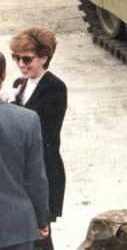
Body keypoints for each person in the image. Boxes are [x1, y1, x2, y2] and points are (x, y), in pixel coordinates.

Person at [11, 28, 67, 250]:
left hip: (43, 170)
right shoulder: (20, 83)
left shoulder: (55, 87)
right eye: (16, 58)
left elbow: (43, 132)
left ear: (44, 57)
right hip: (23, 170)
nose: (21, 64)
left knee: (40, 234)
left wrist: (10, 106)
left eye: (27, 59)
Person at [0, 51, 51, 250]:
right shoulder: (27, 120)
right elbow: (36, 179)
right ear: (3, 76)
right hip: (16, 227)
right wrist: (42, 219)